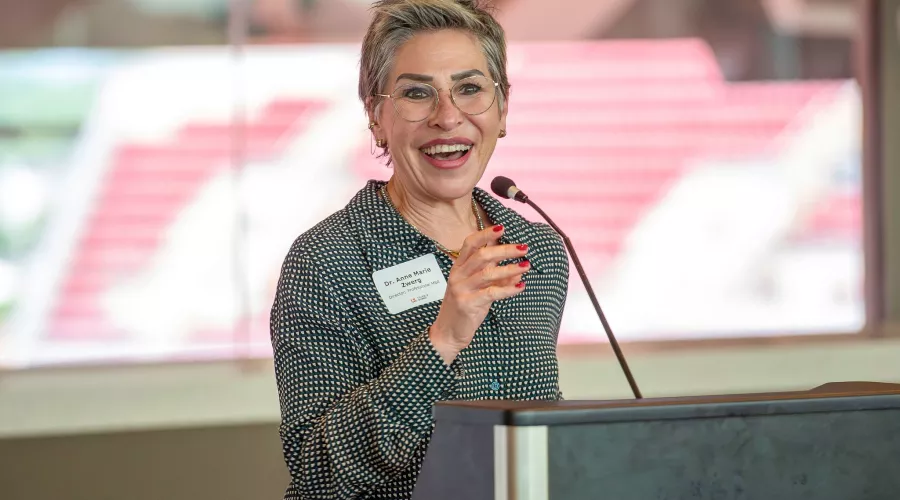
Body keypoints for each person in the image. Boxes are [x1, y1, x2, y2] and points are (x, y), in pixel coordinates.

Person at [269, 1, 569, 498]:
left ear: (503, 109)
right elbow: (317, 474)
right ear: (376, 116)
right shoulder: (325, 262)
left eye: (470, 89)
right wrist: (443, 339)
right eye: (416, 94)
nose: (448, 117)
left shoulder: (538, 249)